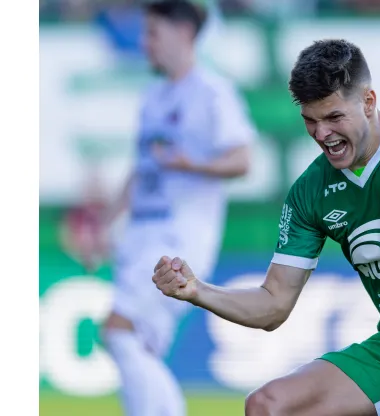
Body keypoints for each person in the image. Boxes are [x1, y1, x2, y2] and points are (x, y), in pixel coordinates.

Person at [152, 39, 380, 416]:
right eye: (310, 121)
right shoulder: (310, 192)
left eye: (333, 118)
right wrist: (197, 290)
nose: (321, 134)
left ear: (368, 101)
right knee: (267, 406)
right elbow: (273, 305)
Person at [101, 1, 257, 415]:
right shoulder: (153, 96)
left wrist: (196, 165)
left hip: (179, 238)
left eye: (152, 33)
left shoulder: (211, 92)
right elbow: (141, 170)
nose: (144, 43)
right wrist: (105, 223)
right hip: (140, 235)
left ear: (183, 33)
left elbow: (242, 159)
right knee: (140, 345)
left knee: (120, 331)